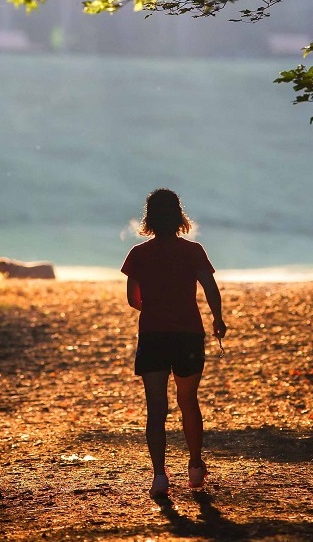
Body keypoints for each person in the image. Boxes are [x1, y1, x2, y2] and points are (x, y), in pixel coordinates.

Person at [120, 188, 228, 498]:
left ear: (149, 219)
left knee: (156, 409)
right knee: (188, 400)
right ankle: (195, 466)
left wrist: (156, 307)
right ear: (179, 216)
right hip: (188, 334)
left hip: (153, 334)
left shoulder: (138, 255)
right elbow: (210, 288)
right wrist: (217, 320)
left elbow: (132, 300)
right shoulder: (193, 251)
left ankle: (159, 476)